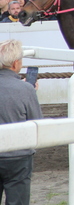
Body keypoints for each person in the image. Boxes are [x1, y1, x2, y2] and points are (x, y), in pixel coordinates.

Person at [0, 39, 43, 205]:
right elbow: (37, 123)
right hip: (18, 157)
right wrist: (30, 92)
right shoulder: (26, 89)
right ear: (15, 63)